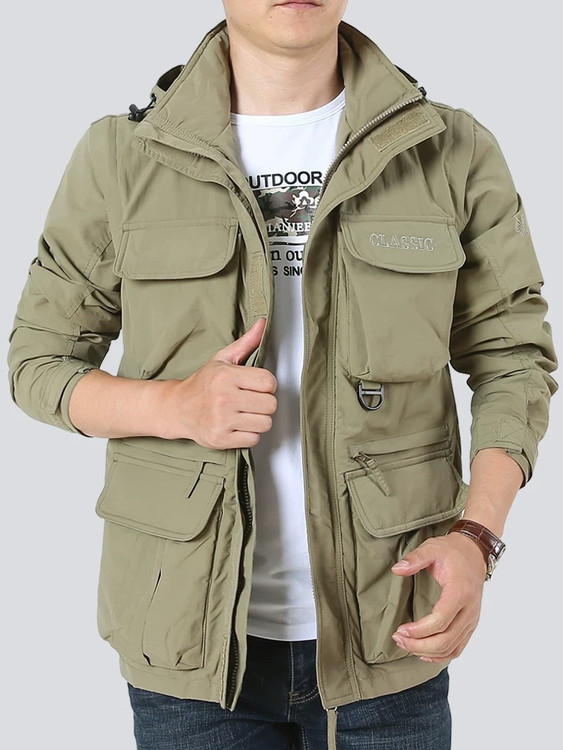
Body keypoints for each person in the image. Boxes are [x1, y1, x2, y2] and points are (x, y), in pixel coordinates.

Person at [7, 1, 558, 748]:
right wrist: (175, 407)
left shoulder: (447, 149)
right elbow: (37, 363)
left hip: (391, 630)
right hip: (187, 651)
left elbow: (512, 358)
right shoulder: (123, 155)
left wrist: (476, 535)